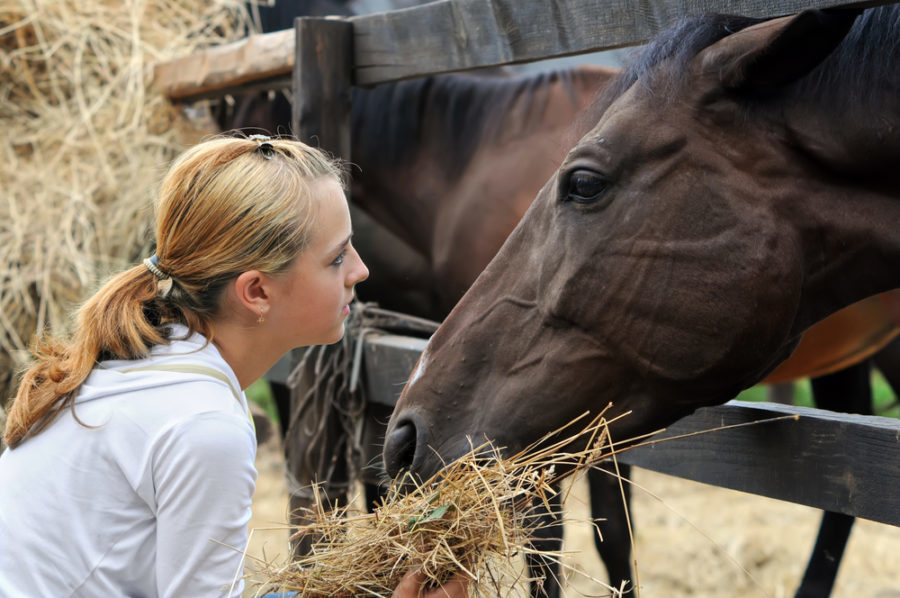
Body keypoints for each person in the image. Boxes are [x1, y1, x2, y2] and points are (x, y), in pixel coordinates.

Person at [0, 135, 467, 598]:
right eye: (337, 257)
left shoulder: (148, 363)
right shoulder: (204, 423)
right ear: (257, 292)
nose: (360, 271)